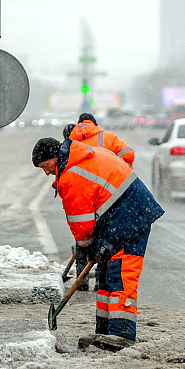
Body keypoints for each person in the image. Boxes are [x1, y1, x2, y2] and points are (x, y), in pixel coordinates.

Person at [32, 137, 164, 351]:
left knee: (120, 274)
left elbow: (82, 226)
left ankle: (122, 334)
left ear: (55, 158)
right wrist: (95, 249)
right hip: (121, 215)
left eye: (46, 166)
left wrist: (87, 249)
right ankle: (105, 331)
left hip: (130, 218)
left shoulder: (71, 176)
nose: (46, 172)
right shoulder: (81, 157)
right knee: (105, 274)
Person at [67, 112, 136, 291]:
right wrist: (117, 166)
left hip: (84, 195)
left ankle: (81, 283)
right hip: (106, 196)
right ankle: (100, 281)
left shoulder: (72, 140)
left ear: (79, 124)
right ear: (94, 123)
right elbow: (128, 153)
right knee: (104, 242)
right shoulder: (108, 137)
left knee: (84, 235)